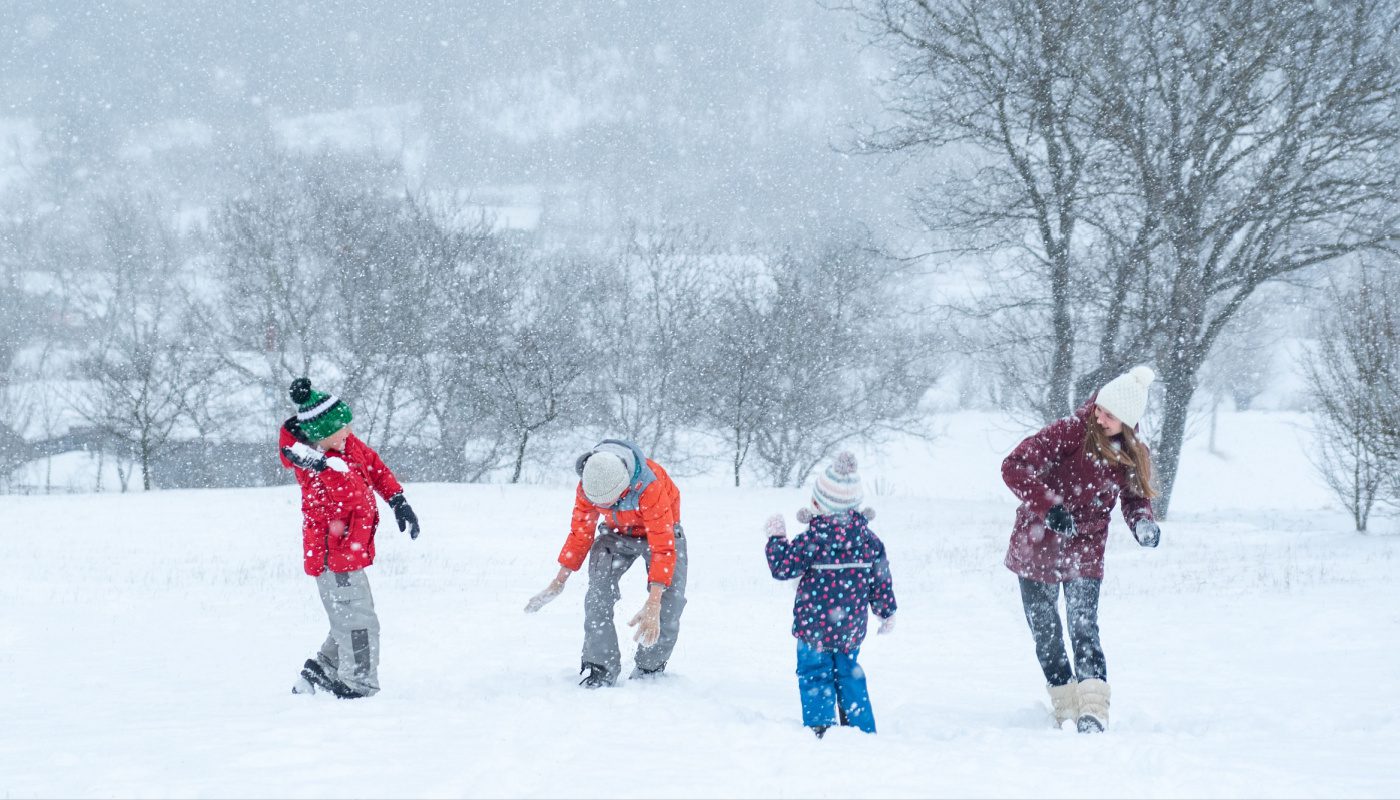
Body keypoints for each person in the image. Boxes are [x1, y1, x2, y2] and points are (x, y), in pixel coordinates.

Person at [1001, 365, 1162, 733]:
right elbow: (1013, 466)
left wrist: (1142, 523)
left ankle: (1093, 710)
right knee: (1046, 632)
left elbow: (1135, 500)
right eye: (1101, 409)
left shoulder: (1133, 454)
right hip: (1037, 542)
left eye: (1111, 416)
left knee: (1083, 625)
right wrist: (1049, 506)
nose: (1100, 418)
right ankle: (1065, 705)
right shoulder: (1069, 432)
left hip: (1085, 548)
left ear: (1129, 422)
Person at [278, 377, 420, 699]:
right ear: (321, 436)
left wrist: (398, 501)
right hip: (335, 560)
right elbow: (342, 492)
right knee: (359, 622)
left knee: (352, 615)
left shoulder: (347, 446)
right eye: (341, 429)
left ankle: (323, 669)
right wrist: (319, 462)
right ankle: (358, 685)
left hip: (349, 556)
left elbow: (376, 467)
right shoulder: (314, 469)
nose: (348, 433)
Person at [524, 438, 686, 687]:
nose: (600, 507)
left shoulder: (649, 486)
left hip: (663, 534)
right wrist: (559, 581)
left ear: (623, 488)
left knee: (668, 600)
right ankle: (601, 666)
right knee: (598, 593)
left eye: (606, 502)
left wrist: (653, 601)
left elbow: (663, 548)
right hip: (616, 534)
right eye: (597, 503)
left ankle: (649, 669)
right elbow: (581, 534)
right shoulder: (590, 481)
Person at [764, 452, 896, 738]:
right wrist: (886, 612)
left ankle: (821, 726)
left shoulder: (813, 539)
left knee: (814, 673)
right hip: (849, 627)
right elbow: (881, 580)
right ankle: (859, 727)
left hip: (814, 628)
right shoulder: (870, 541)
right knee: (849, 673)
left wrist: (776, 539)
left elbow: (782, 567)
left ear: (820, 505)